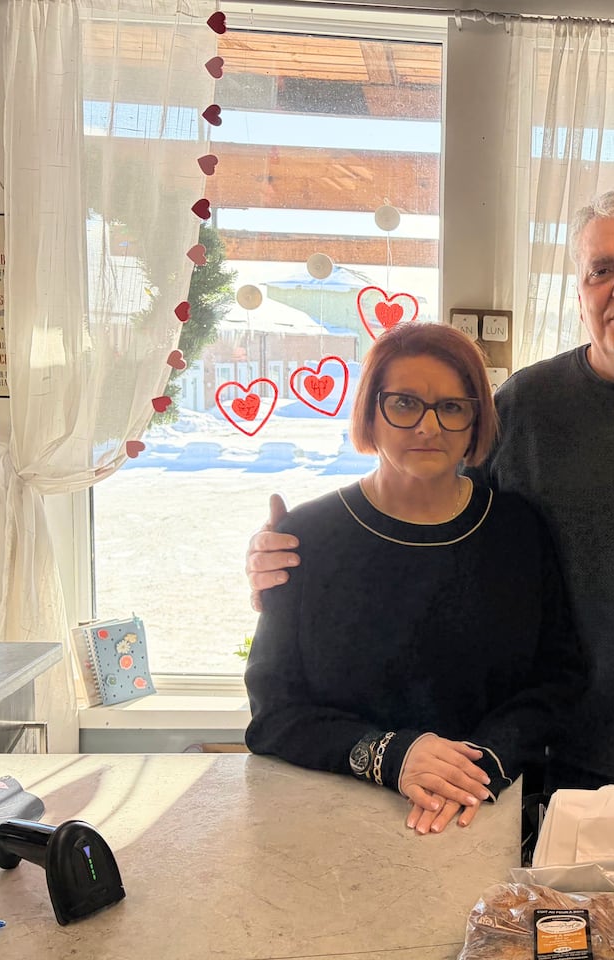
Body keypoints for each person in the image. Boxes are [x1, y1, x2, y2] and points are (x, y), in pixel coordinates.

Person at [248, 190, 614, 797]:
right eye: (600, 270)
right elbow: (434, 529)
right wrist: (297, 563)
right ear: (580, 294)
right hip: (539, 766)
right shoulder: (524, 408)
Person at [243, 321, 582, 835]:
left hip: (477, 816)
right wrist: (391, 756)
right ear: (370, 414)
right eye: (404, 404)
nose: (429, 427)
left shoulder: (519, 532)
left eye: (451, 407)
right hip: (334, 817)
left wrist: (484, 760)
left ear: (475, 420)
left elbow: (558, 679)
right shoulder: (305, 538)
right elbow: (274, 714)